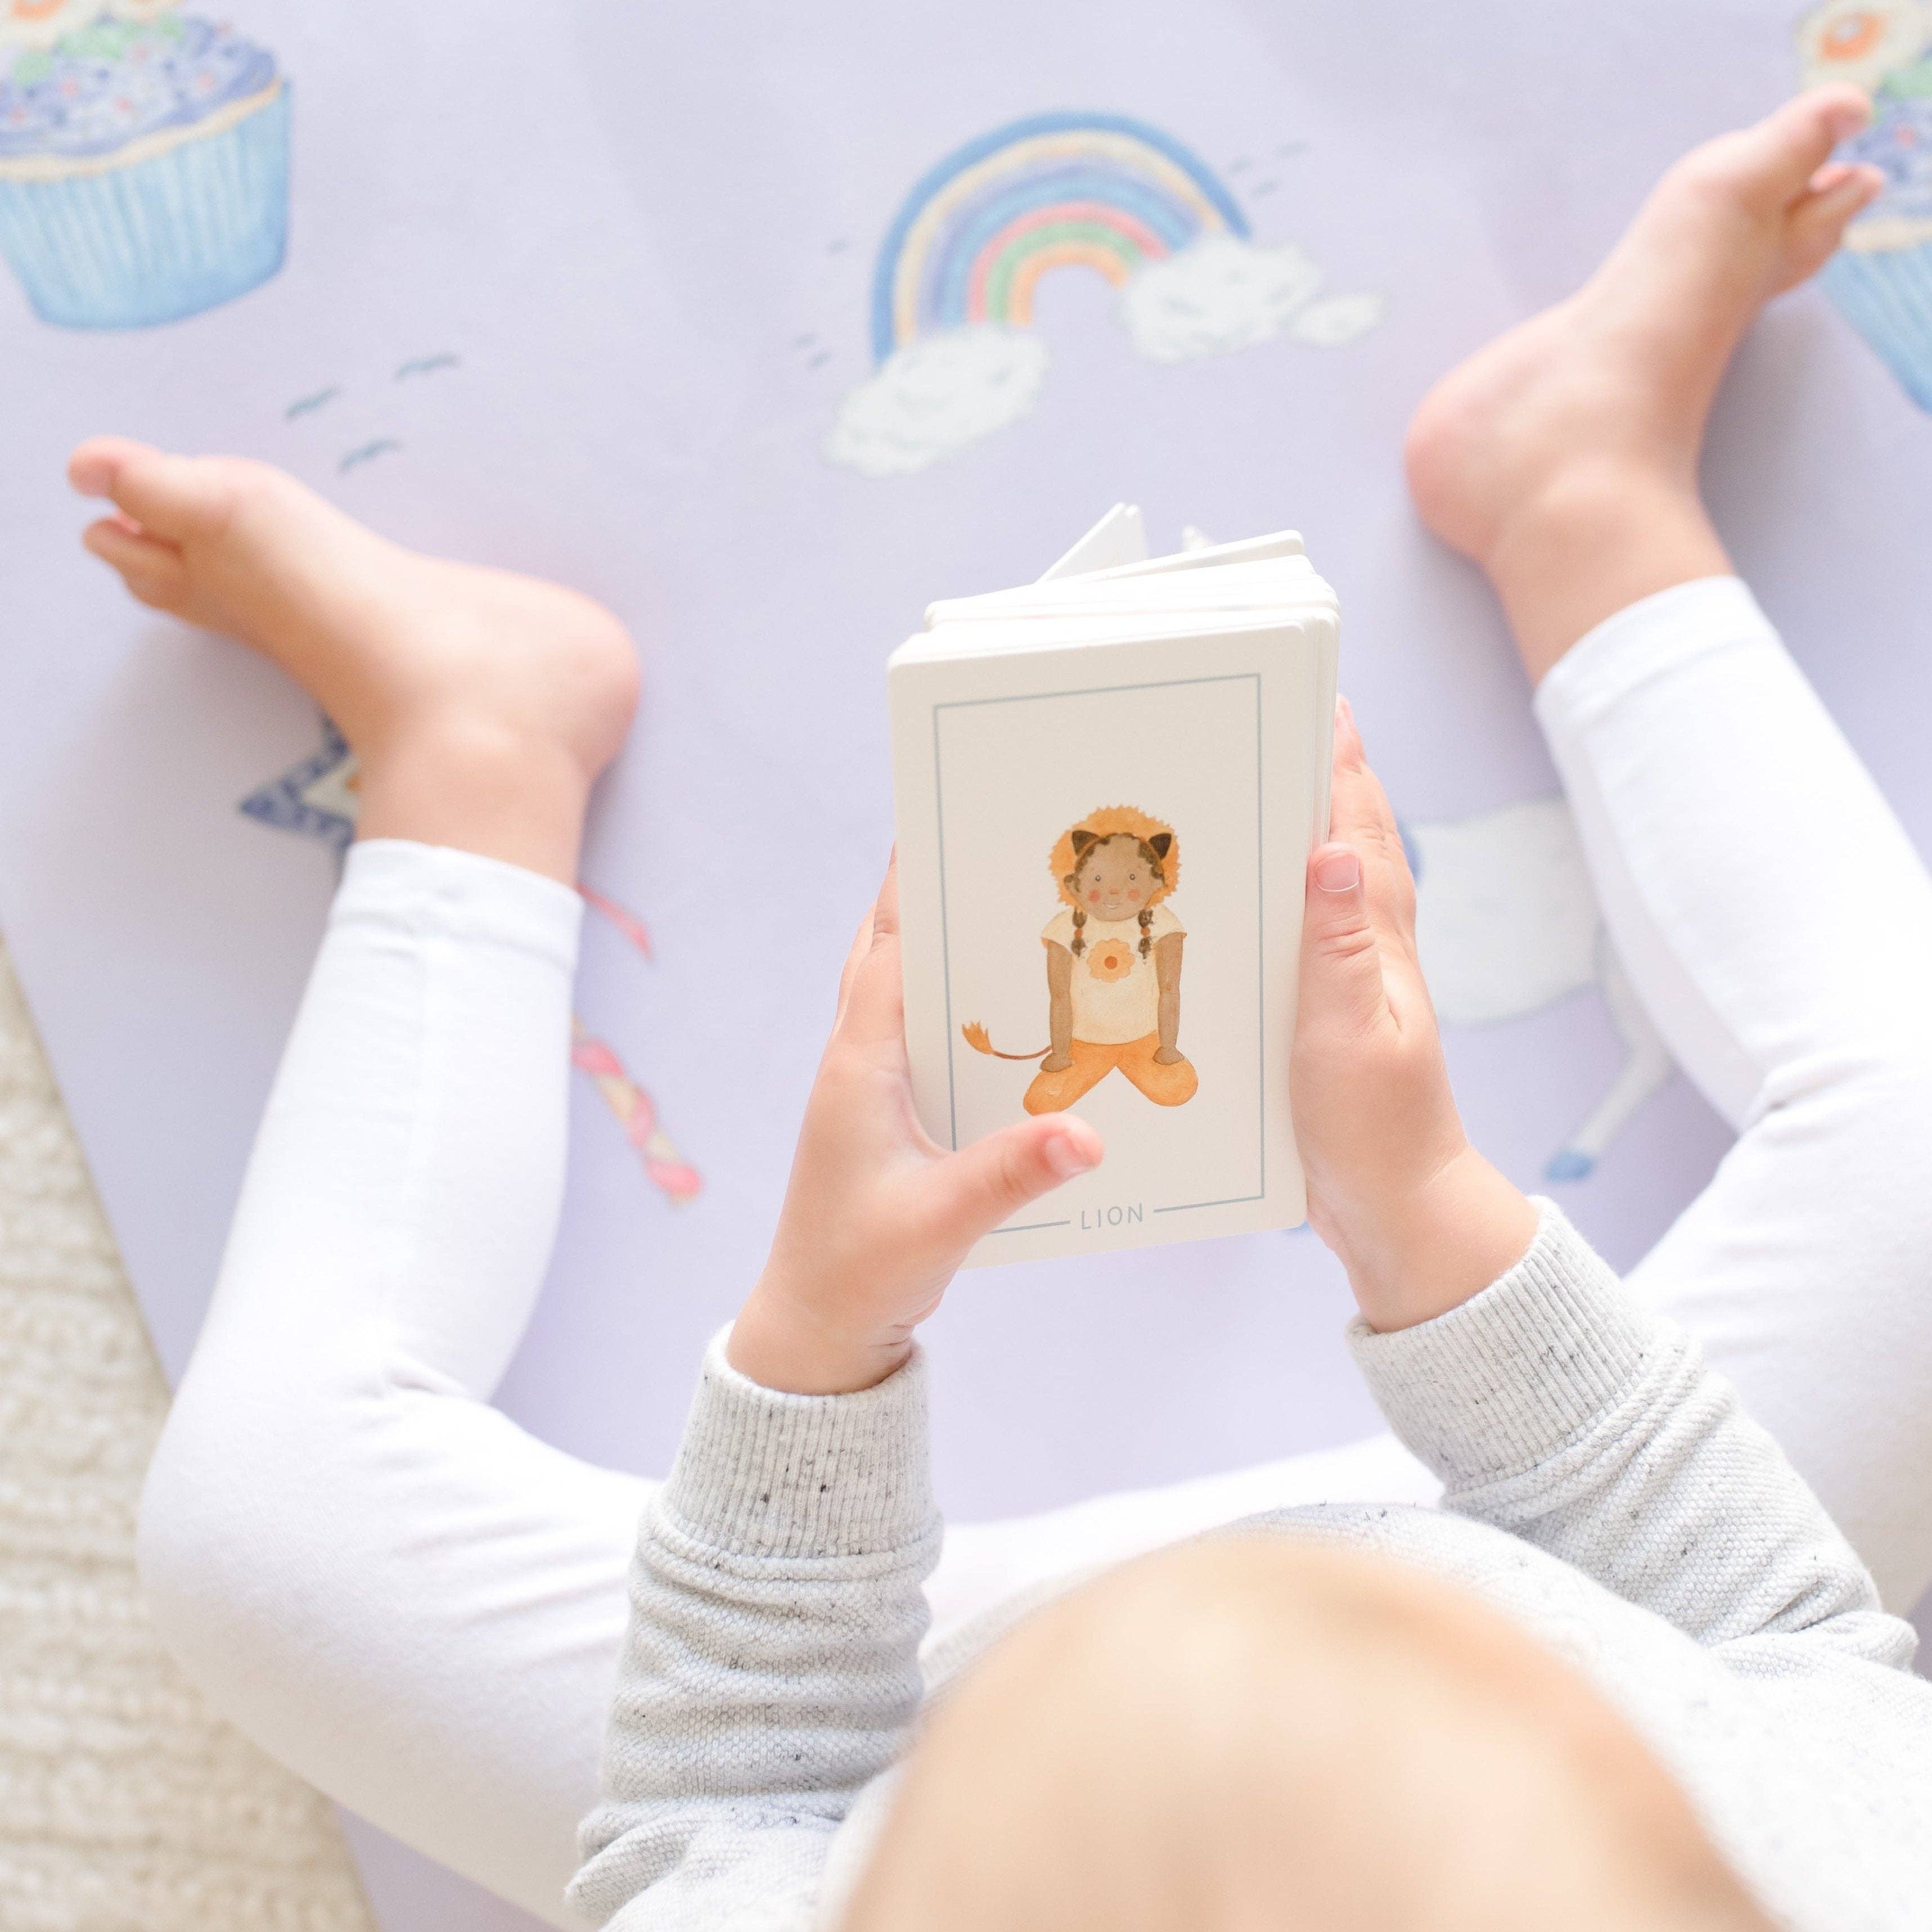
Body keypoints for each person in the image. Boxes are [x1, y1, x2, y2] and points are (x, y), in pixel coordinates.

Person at [82, 85, 1929, 1930]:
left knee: (256, 1531)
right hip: (1619, 1623)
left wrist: (820, 1335)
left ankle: (474, 755)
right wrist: (1426, 1212)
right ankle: (1578, 493)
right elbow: (1768, 1626)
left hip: (903, 1735)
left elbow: (716, 1799)